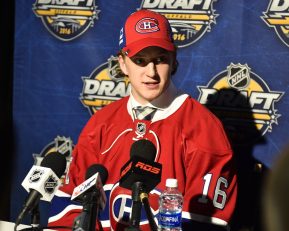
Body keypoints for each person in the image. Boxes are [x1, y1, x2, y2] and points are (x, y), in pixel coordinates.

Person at [47, 9, 237, 231]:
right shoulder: (102, 122)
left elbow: (204, 225)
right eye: (140, 60)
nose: (151, 72)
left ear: (174, 60)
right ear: (123, 64)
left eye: (160, 59)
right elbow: (68, 210)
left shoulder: (203, 127)